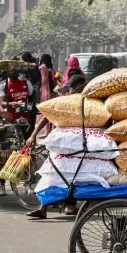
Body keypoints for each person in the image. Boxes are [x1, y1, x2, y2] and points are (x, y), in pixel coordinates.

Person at [25, 74, 87, 219]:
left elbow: (46, 116)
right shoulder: (74, 101)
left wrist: (34, 134)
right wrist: (33, 135)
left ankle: (56, 206)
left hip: (71, 142)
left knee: (58, 172)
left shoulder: (80, 101)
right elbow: (47, 115)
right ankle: (64, 206)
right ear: (82, 87)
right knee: (56, 171)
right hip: (67, 142)